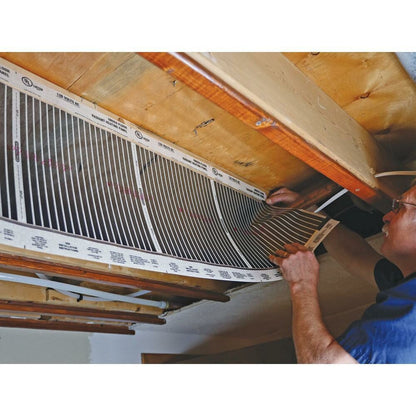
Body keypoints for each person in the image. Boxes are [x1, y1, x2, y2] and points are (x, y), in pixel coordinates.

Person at [266, 184, 416, 364]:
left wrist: (301, 283)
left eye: (401, 209)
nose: (386, 216)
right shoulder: (407, 282)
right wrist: (310, 212)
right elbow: (356, 256)